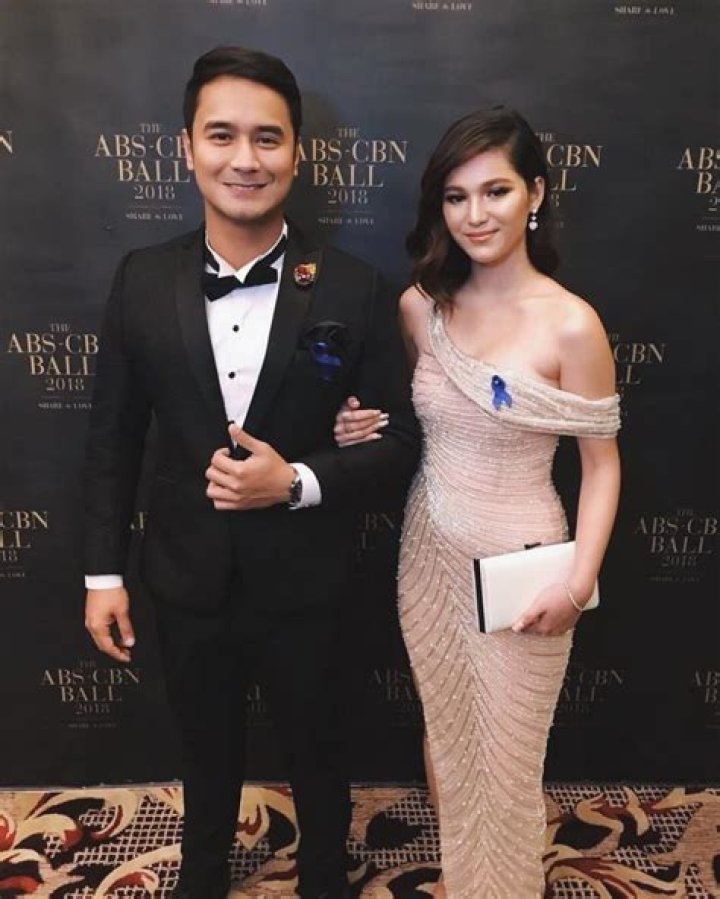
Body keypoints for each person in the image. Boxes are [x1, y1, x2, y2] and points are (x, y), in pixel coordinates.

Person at [83, 46, 420, 899]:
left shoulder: (355, 288)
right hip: (184, 574)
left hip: (310, 580)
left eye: (268, 138)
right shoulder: (140, 279)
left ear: (297, 154)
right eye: (222, 135)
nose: (245, 158)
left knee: (320, 748)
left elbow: (398, 445)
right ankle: (202, 873)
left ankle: (323, 876)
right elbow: (113, 439)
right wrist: (102, 574)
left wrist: (297, 480)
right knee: (204, 747)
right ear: (186, 148)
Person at [335, 107, 621, 898]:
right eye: (456, 197)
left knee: (508, 760)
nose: (475, 214)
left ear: (536, 194)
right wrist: (360, 425)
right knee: (450, 742)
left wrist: (576, 584)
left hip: (525, 569)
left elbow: (601, 468)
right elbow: (410, 423)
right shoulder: (419, 308)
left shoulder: (573, 325)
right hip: (428, 554)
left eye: (496, 191)